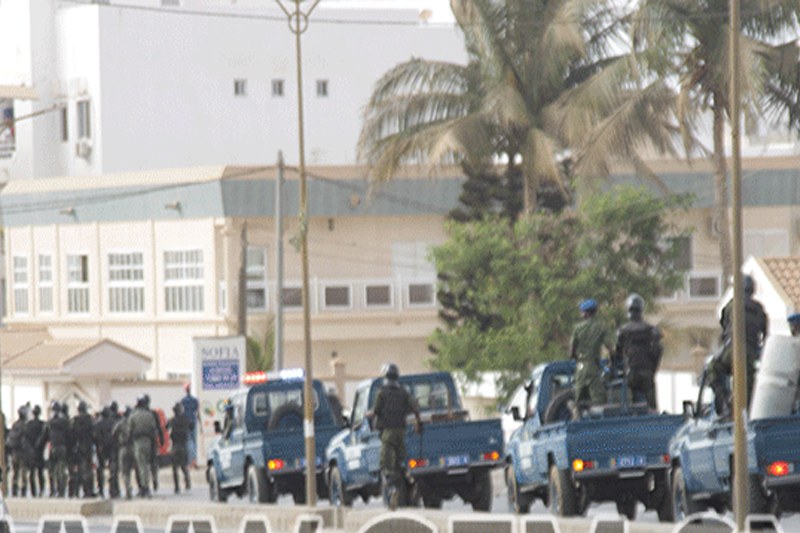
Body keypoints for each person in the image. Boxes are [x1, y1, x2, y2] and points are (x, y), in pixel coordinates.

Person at [366, 363, 422, 511]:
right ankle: (408, 489)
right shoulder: (403, 392)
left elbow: (376, 411)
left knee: (386, 466)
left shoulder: (382, 392)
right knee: (399, 465)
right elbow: (415, 408)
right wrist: (418, 424)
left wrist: (367, 413)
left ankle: (392, 490)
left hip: (388, 434)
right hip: (401, 434)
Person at [711, 275, 768, 415]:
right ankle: (744, 415)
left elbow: (724, 327)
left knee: (712, 369)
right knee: (746, 391)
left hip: (732, 351)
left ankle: (723, 401)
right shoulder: (759, 310)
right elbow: (766, 335)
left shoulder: (731, 306)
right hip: (750, 355)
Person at [614, 294, 663, 411]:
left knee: (630, 408)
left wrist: (621, 368)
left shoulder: (622, 331)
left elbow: (617, 354)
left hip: (630, 373)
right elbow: (659, 349)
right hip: (646, 372)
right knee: (652, 408)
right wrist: (653, 367)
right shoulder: (651, 329)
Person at [570, 299, 615, 412]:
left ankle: (577, 418)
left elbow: (572, 350)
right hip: (593, 367)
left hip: (581, 366)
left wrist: (578, 359)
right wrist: (612, 362)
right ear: (595, 312)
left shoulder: (577, 328)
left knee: (578, 397)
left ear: (585, 313)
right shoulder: (601, 328)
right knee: (598, 399)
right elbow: (610, 348)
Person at [128, 395, 158, 498]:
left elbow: (129, 430)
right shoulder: (149, 415)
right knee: (146, 465)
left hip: (138, 442)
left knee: (141, 465)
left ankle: (144, 488)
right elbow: (154, 430)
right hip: (148, 442)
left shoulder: (133, 415)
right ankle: (145, 486)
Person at [38, 401, 69, 497]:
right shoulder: (65, 422)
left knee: (51, 470)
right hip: (62, 448)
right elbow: (70, 435)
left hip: (52, 448)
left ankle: (52, 490)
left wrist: (38, 447)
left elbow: (44, 437)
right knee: (61, 470)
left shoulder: (49, 422)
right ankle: (61, 491)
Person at [71, 400, 96, 498]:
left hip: (79, 448)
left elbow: (72, 435)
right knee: (89, 470)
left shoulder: (75, 420)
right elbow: (94, 434)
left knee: (80, 470)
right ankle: (89, 490)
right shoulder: (90, 419)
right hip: (88, 447)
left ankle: (77, 491)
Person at [94, 405, 119, 498]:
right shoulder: (114, 423)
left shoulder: (98, 424)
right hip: (113, 448)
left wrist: (98, 445)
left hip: (101, 449)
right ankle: (113, 490)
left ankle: (100, 489)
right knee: (113, 470)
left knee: (100, 470)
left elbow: (96, 436)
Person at [165, 403, 191, 494]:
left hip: (175, 446)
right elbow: (191, 427)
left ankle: (177, 487)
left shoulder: (172, 420)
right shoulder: (185, 419)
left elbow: (165, 427)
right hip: (183, 445)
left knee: (175, 468)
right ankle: (187, 483)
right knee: (184, 467)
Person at [112, 406, 135, 500]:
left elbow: (113, 433)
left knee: (124, 472)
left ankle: (128, 487)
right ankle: (134, 489)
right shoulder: (133, 423)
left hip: (123, 448)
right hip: (133, 448)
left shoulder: (120, 423)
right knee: (131, 470)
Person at [8, 406, 30, 497]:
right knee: (24, 473)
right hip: (22, 453)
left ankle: (14, 490)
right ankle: (23, 491)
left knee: (15, 473)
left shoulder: (15, 425)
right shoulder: (25, 426)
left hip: (14, 452)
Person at [25, 405, 46, 497]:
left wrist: (30, 448)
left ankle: (33, 491)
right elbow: (45, 437)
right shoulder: (42, 424)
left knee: (32, 473)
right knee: (40, 472)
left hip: (31, 452)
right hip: (40, 451)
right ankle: (41, 490)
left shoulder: (28, 425)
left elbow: (25, 438)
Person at [180, 383, 201, 469]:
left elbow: (181, 413)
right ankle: (194, 460)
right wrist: (200, 423)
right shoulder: (195, 400)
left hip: (186, 423)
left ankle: (190, 463)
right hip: (193, 421)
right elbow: (197, 412)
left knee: (188, 442)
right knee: (194, 442)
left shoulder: (183, 401)